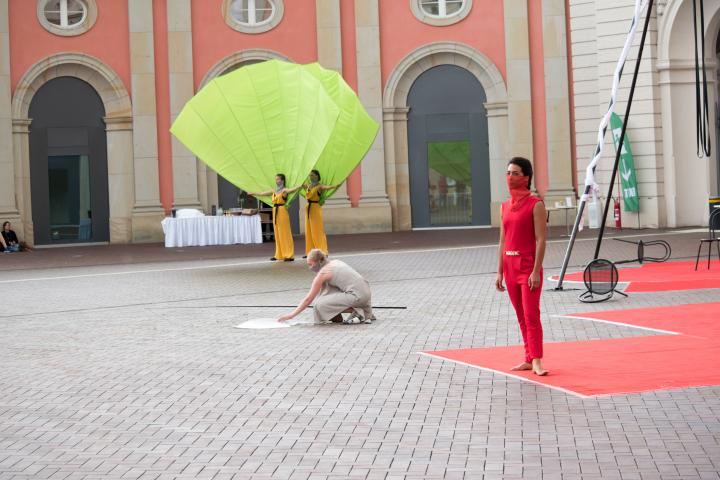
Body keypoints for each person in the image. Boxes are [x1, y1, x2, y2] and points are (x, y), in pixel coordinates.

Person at [495, 157, 548, 376]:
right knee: (520, 315)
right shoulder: (504, 206)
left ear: (526, 177)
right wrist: (499, 271)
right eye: (508, 173)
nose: (510, 177)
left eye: (515, 173)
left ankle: (536, 360)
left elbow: (541, 239)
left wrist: (536, 270)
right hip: (509, 267)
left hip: (527, 266)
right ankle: (528, 358)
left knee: (531, 314)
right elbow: (502, 240)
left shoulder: (536, 204)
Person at [278, 248, 375, 325]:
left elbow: (308, 300)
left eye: (310, 264)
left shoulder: (323, 273)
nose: (310, 268)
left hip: (357, 296)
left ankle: (360, 312)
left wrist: (291, 315)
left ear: (318, 262)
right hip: (366, 292)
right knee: (325, 299)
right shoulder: (336, 262)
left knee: (319, 305)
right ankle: (347, 315)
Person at [249, 174, 297, 262]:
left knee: (285, 233)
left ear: (282, 180)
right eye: (276, 179)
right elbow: (262, 193)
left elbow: (292, 190)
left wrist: (300, 185)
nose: (276, 181)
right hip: (275, 211)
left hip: (282, 211)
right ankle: (279, 254)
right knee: (277, 233)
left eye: (278, 179)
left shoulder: (284, 190)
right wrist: (254, 193)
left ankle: (289, 254)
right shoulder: (274, 190)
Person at [302, 170, 339, 258]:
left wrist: (335, 186)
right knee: (309, 231)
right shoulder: (308, 185)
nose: (311, 177)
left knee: (317, 230)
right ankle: (310, 253)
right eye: (310, 175)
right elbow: (300, 184)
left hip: (315, 207)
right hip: (308, 207)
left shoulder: (319, 186)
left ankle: (323, 251)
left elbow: (327, 187)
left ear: (317, 176)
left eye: (313, 175)